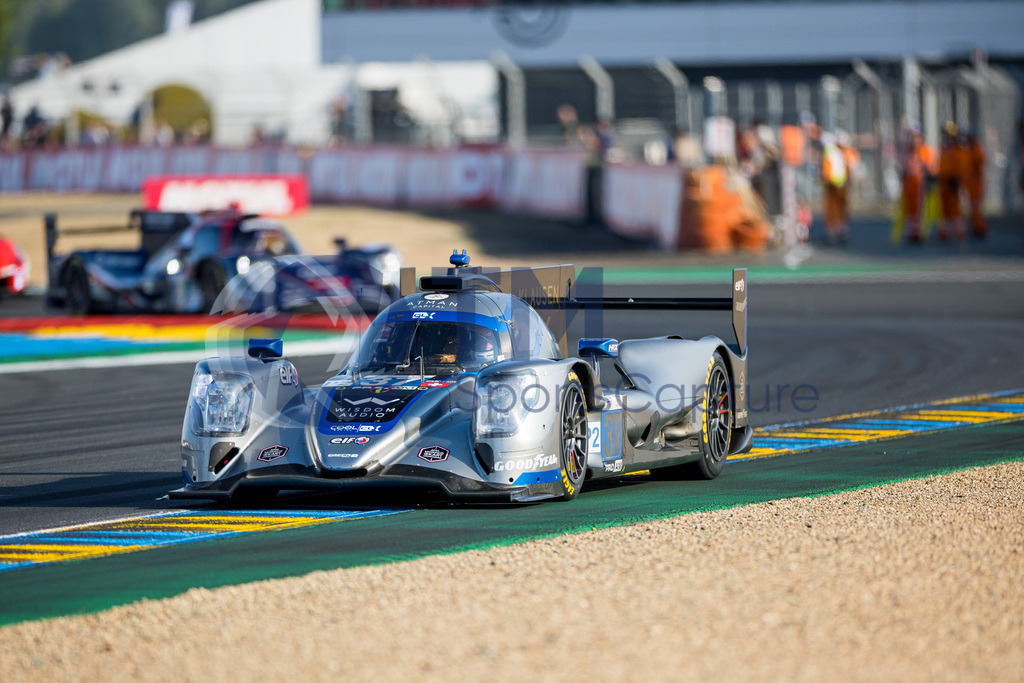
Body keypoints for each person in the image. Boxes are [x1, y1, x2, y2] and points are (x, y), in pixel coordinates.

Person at [900, 124, 937, 244]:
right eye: (912, 136)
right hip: (909, 185)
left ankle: (921, 233)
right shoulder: (907, 151)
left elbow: (931, 169)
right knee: (911, 210)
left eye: (916, 137)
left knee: (920, 210)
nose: (914, 139)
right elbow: (905, 167)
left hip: (921, 185)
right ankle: (913, 233)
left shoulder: (926, 151)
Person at [936, 121, 968, 242]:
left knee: (955, 207)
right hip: (944, 181)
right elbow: (941, 165)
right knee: (944, 208)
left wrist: (957, 179)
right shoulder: (944, 149)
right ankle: (945, 232)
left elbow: (961, 165)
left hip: (953, 181)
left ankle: (960, 232)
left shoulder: (958, 149)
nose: (947, 137)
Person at [820, 132, 849, 243]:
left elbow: (826, 172)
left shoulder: (828, 152)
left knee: (832, 210)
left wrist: (824, 182)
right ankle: (842, 231)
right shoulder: (838, 151)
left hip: (833, 185)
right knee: (840, 209)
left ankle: (833, 234)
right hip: (841, 184)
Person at [964, 132, 987, 239]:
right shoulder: (970, 150)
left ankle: (979, 228)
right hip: (971, 184)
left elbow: (980, 163)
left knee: (976, 206)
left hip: (976, 184)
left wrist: (974, 172)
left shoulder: (976, 149)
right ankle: (976, 227)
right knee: (974, 207)